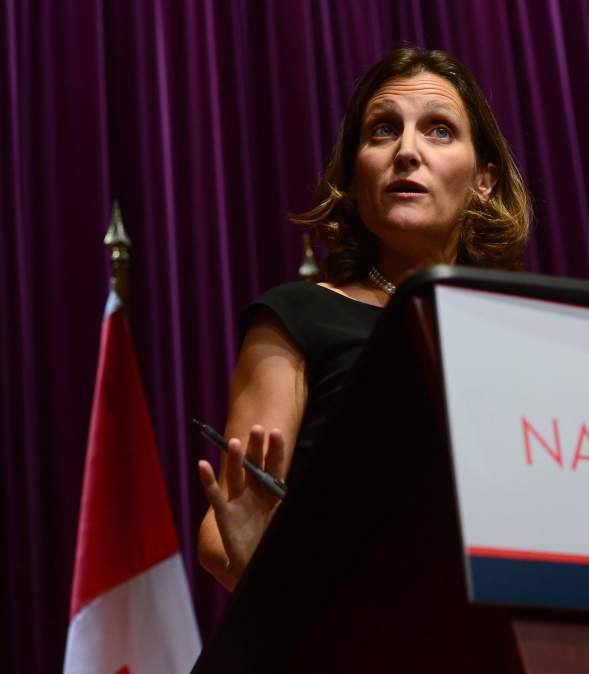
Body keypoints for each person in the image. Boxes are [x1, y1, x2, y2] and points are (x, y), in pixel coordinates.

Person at [196, 47, 531, 590]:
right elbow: (226, 528)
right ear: (353, 177)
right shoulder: (299, 315)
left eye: (439, 130)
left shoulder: (522, 335)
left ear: (483, 180)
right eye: (381, 131)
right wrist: (275, 557)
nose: (406, 151)